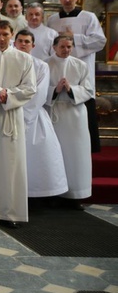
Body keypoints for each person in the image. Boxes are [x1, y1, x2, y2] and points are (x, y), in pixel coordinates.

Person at [0, 21, 36, 228]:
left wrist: (8, 94)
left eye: (5, 34)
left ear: (11, 35)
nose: (1, 38)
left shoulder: (24, 59)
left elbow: (30, 88)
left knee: (11, 164)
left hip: (11, 117)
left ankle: (11, 212)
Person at [47, 0, 106, 153]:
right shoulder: (52, 20)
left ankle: (87, 146)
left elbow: (100, 41)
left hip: (81, 70)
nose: (67, 0)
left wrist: (76, 39)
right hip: (58, 70)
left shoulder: (88, 17)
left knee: (83, 105)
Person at [14, 30, 68, 200]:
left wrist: (21, 115)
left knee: (36, 156)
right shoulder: (7, 62)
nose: (23, 44)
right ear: (14, 43)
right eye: (20, 41)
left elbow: (39, 95)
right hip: (8, 115)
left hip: (32, 117)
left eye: (27, 42)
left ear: (33, 45)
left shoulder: (41, 66)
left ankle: (36, 194)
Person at [46, 35, 94, 209]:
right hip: (54, 114)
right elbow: (39, 91)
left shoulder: (80, 65)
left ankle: (76, 195)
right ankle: (54, 193)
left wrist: (71, 89)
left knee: (76, 155)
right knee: (55, 155)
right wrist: (55, 90)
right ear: (54, 47)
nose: (66, 50)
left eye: (69, 47)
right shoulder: (45, 64)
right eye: (62, 47)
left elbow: (88, 90)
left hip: (75, 115)